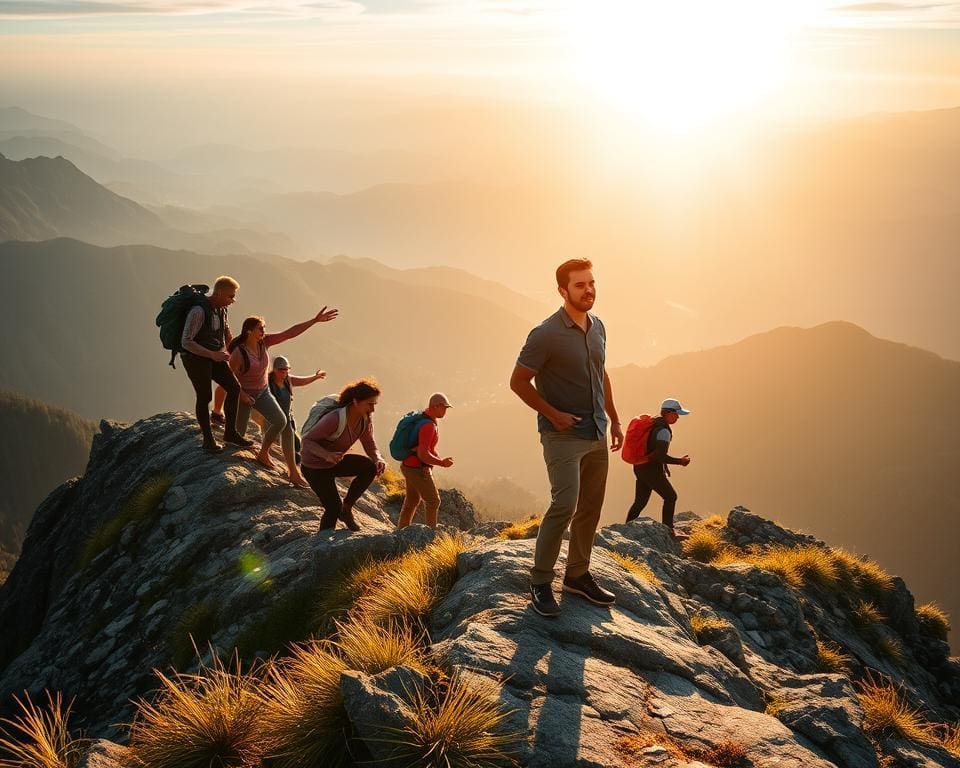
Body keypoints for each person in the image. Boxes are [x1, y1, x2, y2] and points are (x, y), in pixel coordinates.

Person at [510, 258, 623, 618]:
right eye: (580, 285)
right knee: (565, 505)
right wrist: (553, 414)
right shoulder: (545, 334)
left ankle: (577, 575)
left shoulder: (598, 326)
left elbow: (601, 375)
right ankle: (541, 581)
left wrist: (615, 420)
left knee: (591, 507)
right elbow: (518, 382)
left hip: (596, 432)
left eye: (592, 283)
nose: (589, 290)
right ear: (563, 291)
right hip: (562, 437)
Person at [227, 307, 338, 470]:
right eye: (260, 328)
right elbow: (230, 378)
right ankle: (228, 464)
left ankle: (263, 453)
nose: (263, 331)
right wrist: (242, 395)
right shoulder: (238, 353)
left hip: (263, 393)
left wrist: (314, 321)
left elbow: (289, 333)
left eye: (264, 328)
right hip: (245, 394)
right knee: (238, 435)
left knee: (280, 421)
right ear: (249, 331)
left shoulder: (264, 343)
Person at [179, 276, 253, 452]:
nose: (233, 300)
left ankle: (230, 433)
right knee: (204, 397)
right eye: (230, 296)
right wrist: (212, 354)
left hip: (215, 355)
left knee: (234, 387)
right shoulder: (198, 311)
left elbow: (224, 330)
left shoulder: (222, 309)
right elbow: (186, 341)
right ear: (219, 293)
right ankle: (207, 440)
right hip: (195, 358)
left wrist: (231, 347)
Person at [301, 378, 386, 531]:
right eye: (370, 403)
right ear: (355, 401)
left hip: (334, 461)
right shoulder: (334, 419)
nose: (372, 409)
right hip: (314, 468)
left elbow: (369, 444)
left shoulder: (365, 419)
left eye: (374, 404)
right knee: (333, 508)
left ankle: (346, 509)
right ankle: (323, 545)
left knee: (369, 467)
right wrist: (326, 455)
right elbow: (307, 441)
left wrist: (378, 458)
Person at [625, 398, 691, 536]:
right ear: (667, 412)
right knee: (670, 497)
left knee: (640, 502)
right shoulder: (664, 432)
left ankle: (626, 528)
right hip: (651, 470)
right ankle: (669, 529)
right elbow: (659, 455)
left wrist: (664, 465)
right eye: (676, 413)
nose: (678, 417)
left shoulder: (654, 425)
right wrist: (681, 461)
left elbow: (654, 451)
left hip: (639, 467)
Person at [263, 355, 326, 487]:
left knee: (298, 446)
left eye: (287, 369)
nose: (285, 372)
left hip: (288, 419)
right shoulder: (267, 383)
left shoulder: (288, 380)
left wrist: (315, 376)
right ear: (274, 369)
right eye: (282, 370)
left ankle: (293, 470)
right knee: (291, 446)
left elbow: (302, 381)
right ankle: (293, 473)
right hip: (274, 420)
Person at [397, 393, 455, 529]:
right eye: (444, 408)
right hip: (417, 468)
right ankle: (431, 537)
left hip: (408, 464)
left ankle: (400, 531)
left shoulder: (423, 418)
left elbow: (426, 448)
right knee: (433, 501)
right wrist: (442, 463)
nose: (445, 411)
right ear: (436, 406)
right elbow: (423, 454)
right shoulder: (428, 426)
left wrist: (435, 457)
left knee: (412, 500)